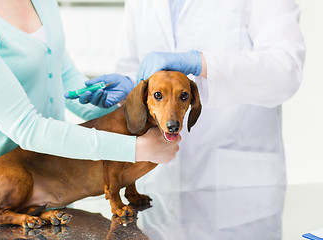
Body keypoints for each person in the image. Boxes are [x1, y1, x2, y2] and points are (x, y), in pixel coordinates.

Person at [0, 0, 181, 197]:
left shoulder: (42, 3)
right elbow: (27, 129)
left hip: (51, 185)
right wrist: (136, 148)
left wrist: (134, 108)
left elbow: (64, 78)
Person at [85, 0, 305, 191]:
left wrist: (200, 63)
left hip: (236, 185)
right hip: (155, 181)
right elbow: (133, 65)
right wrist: (132, 88)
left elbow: (286, 70)